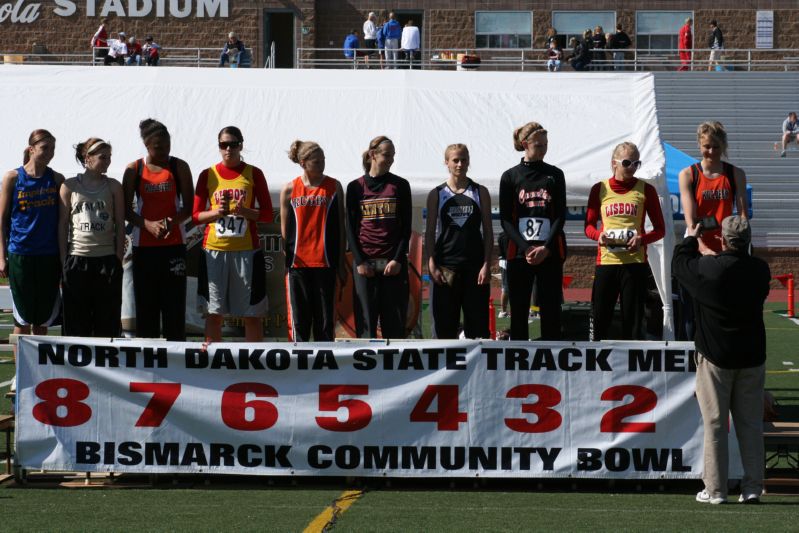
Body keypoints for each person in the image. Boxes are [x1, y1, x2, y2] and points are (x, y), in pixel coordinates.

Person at [672, 215, 770, 505]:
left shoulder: (708, 269)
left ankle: (715, 489)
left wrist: (692, 237)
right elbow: (739, 270)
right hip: (751, 355)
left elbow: (679, 265)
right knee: (750, 424)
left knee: (715, 424)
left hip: (715, 356)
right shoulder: (759, 270)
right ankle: (753, 487)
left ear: (724, 240)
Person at [192, 126, 273, 343]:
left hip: (246, 251)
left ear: (241, 145)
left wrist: (246, 212)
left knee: (252, 314)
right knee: (213, 313)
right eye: (223, 145)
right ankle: (213, 361)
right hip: (214, 251)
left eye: (233, 144)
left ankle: (254, 360)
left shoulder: (254, 173)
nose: (228, 149)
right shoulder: (207, 175)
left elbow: (267, 215)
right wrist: (216, 212)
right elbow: (196, 215)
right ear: (219, 146)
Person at [584, 142, 665, 341]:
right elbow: (588, 226)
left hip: (635, 264)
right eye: (627, 162)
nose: (632, 168)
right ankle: (597, 365)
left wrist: (642, 239)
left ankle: (633, 369)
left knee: (634, 323)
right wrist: (598, 236)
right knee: (601, 320)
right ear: (614, 163)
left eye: (636, 163)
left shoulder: (646, 190)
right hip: (607, 263)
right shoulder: (599, 189)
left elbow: (660, 230)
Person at [122, 119, 193, 341]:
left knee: (174, 308)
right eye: (158, 147)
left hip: (174, 246)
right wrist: (147, 224)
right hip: (144, 247)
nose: (164, 151)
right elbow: (125, 210)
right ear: (146, 145)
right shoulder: (134, 169)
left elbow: (189, 207)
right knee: (146, 308)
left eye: (167, 145)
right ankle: (149, 363)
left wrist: (172, 222)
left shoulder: (178, 166)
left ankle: (176, 361)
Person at [676, 121, 747, 341]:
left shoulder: (735, 174)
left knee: (726, 309)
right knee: (692, 312)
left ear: (723, 146)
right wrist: (703, 247)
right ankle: (691, 360)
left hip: (727, 251)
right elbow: (691, 221)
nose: (711, 151)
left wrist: (736, 249)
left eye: (716, 147)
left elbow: (743, 218)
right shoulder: (688, 175)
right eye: (707, 146)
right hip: (699, 250)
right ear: (699, 145)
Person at [499, 122, 566, 341]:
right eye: (538, 145)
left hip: (549, 252)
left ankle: (552, 359)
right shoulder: (510, 176)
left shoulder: (555, 175)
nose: (543, 149)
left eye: (546, 144)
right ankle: (520, 362)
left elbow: (560, 216)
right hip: (520, 254)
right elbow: (506, 220)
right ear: (525, 144)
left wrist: (546, 248)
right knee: (518, 311)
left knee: (550, 311)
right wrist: (526, 247)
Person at [0, 130, 63, 358]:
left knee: (42, 320)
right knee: (22, 318)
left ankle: (39, 370)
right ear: (32, 149)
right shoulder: (13, 178)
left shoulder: (57, 179)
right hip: (20, 254)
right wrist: (2, 256)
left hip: (48, 255)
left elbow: (61, 222)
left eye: (53, 148)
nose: (50, 153)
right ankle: (20, 372)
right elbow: (2, 219)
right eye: (45, 148)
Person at [346, 136, 412, 339]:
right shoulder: (355, 187)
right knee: (366, 326)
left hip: (393, 266)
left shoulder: (400, 185)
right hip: (365, 267)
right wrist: (360, 261)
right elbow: (350, 227)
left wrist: (398, 259)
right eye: (387, 154)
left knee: (394, 326)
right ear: (373, 154)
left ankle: (394, 370)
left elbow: (406, 227)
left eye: (393, 155)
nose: (391, 159)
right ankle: (367, 370)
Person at [425, 144, 492, 339]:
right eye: (455, 160)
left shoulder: (480, 192)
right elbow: (429, 233)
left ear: (469, 161)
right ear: (446, 162)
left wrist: (487, 264)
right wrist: (431, 264)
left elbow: (488, 231)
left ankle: (478, 370)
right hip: (446, 270)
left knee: (478, 330)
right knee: (444, 329)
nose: (460, 164)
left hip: (475, 269)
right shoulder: (436, 194)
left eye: (463, 159)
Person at [58, 138, 124, 337]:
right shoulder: (69, 186)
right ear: (87, 158)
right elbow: (62, 225)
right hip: (77, 258)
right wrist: (64, 259)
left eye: (109, 157)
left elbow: (120, 224)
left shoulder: (113, 186)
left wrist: (118, 258)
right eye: (103, 157)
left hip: (106, 259)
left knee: (107, 321)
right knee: (76, 322)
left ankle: (105, 367)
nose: (107, 162)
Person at [281, 140, 345, 342]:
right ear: (303, 163)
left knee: (325, 324)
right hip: (298, 264)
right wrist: (288, 260)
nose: (322, 165)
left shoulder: (334, 186)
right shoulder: (290, 189)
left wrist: (341, 262)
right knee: (299, 322)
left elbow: (340, 228)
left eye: (323, 160)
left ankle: (323, 370)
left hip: (325, 263)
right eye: (316, 162)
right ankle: (299, 369)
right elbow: (285, 231)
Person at [497, 232, 510, 318]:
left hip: (504, 261)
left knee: (507, 287)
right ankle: (503, 311)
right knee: (506, 287)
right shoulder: (506, 236)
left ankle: (504, 311)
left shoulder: (502, 235)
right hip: (506, 262)